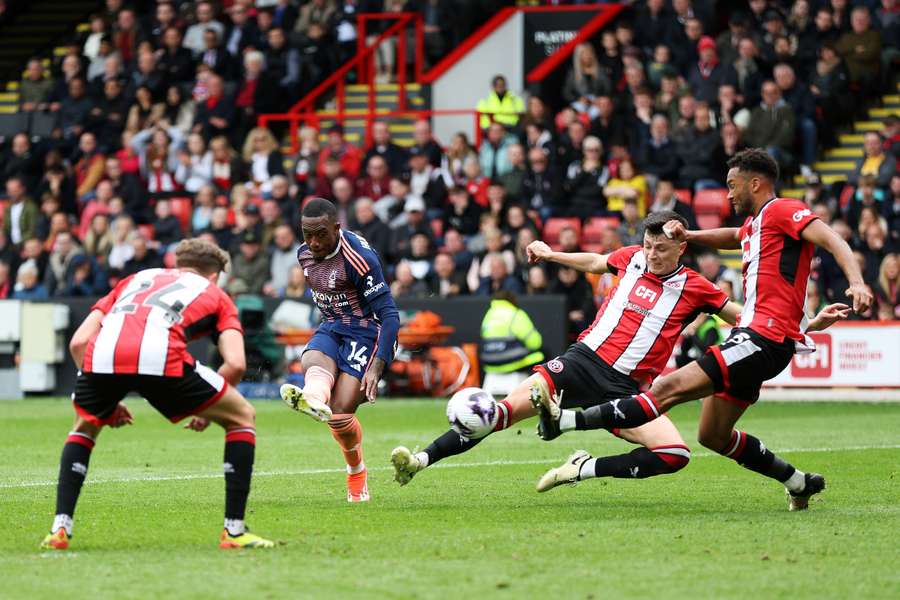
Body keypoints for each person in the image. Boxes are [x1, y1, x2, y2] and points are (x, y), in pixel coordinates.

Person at [534, 149, 870, 510]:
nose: (728, 194)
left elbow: (833, 238)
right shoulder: (756, 226)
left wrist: (858, 282)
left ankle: (565, 420)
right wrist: (690, 235)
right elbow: (732, 236)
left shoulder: (782, 210)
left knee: (667, 388)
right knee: (712, 435)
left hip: (760, 338)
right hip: (767, 338)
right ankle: (797, 481)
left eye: (732, 185)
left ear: (755, 183)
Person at [390, 210, 767, 488]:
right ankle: (419, 461)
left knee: (674, 455)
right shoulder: (632, 257)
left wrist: (787, 329)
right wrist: (552, 255)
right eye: (649, 246)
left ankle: (582, 467)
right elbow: (596, 262)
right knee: (500, 413)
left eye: (662, 249)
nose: (652, 254)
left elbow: (739, 314)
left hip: (628, 390)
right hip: (582, 362)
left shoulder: (696, 286)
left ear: (682, 248)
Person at [40, 239, 273, 551]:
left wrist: (107, 400)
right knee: (242, 416)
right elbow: (236, 363)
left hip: (103, 355)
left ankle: (59, 528)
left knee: (84, 426)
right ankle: (233, 531)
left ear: (179, 265)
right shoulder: (216, 294)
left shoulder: (135, 279)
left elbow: (78, 343)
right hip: (161, 357)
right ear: (215, 276)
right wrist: (207, 410)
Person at [279, 198, 400, 502]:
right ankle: (314, 398)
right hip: (332, 324)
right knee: (311, 357)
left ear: (337, 228)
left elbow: (389, 315)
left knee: (341, 412)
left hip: (368, 330)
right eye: (307, 234)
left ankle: (356, 471)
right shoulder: (304, 254)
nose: (313, 242)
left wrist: (378, 364)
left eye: (320, 234)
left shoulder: (359, 258)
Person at [480, 291, 544, 396]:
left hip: (489, 363)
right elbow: (535, 343)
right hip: (510, 363)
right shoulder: (516, 314)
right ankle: (539, 392)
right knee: (542, 354)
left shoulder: (488, 314)